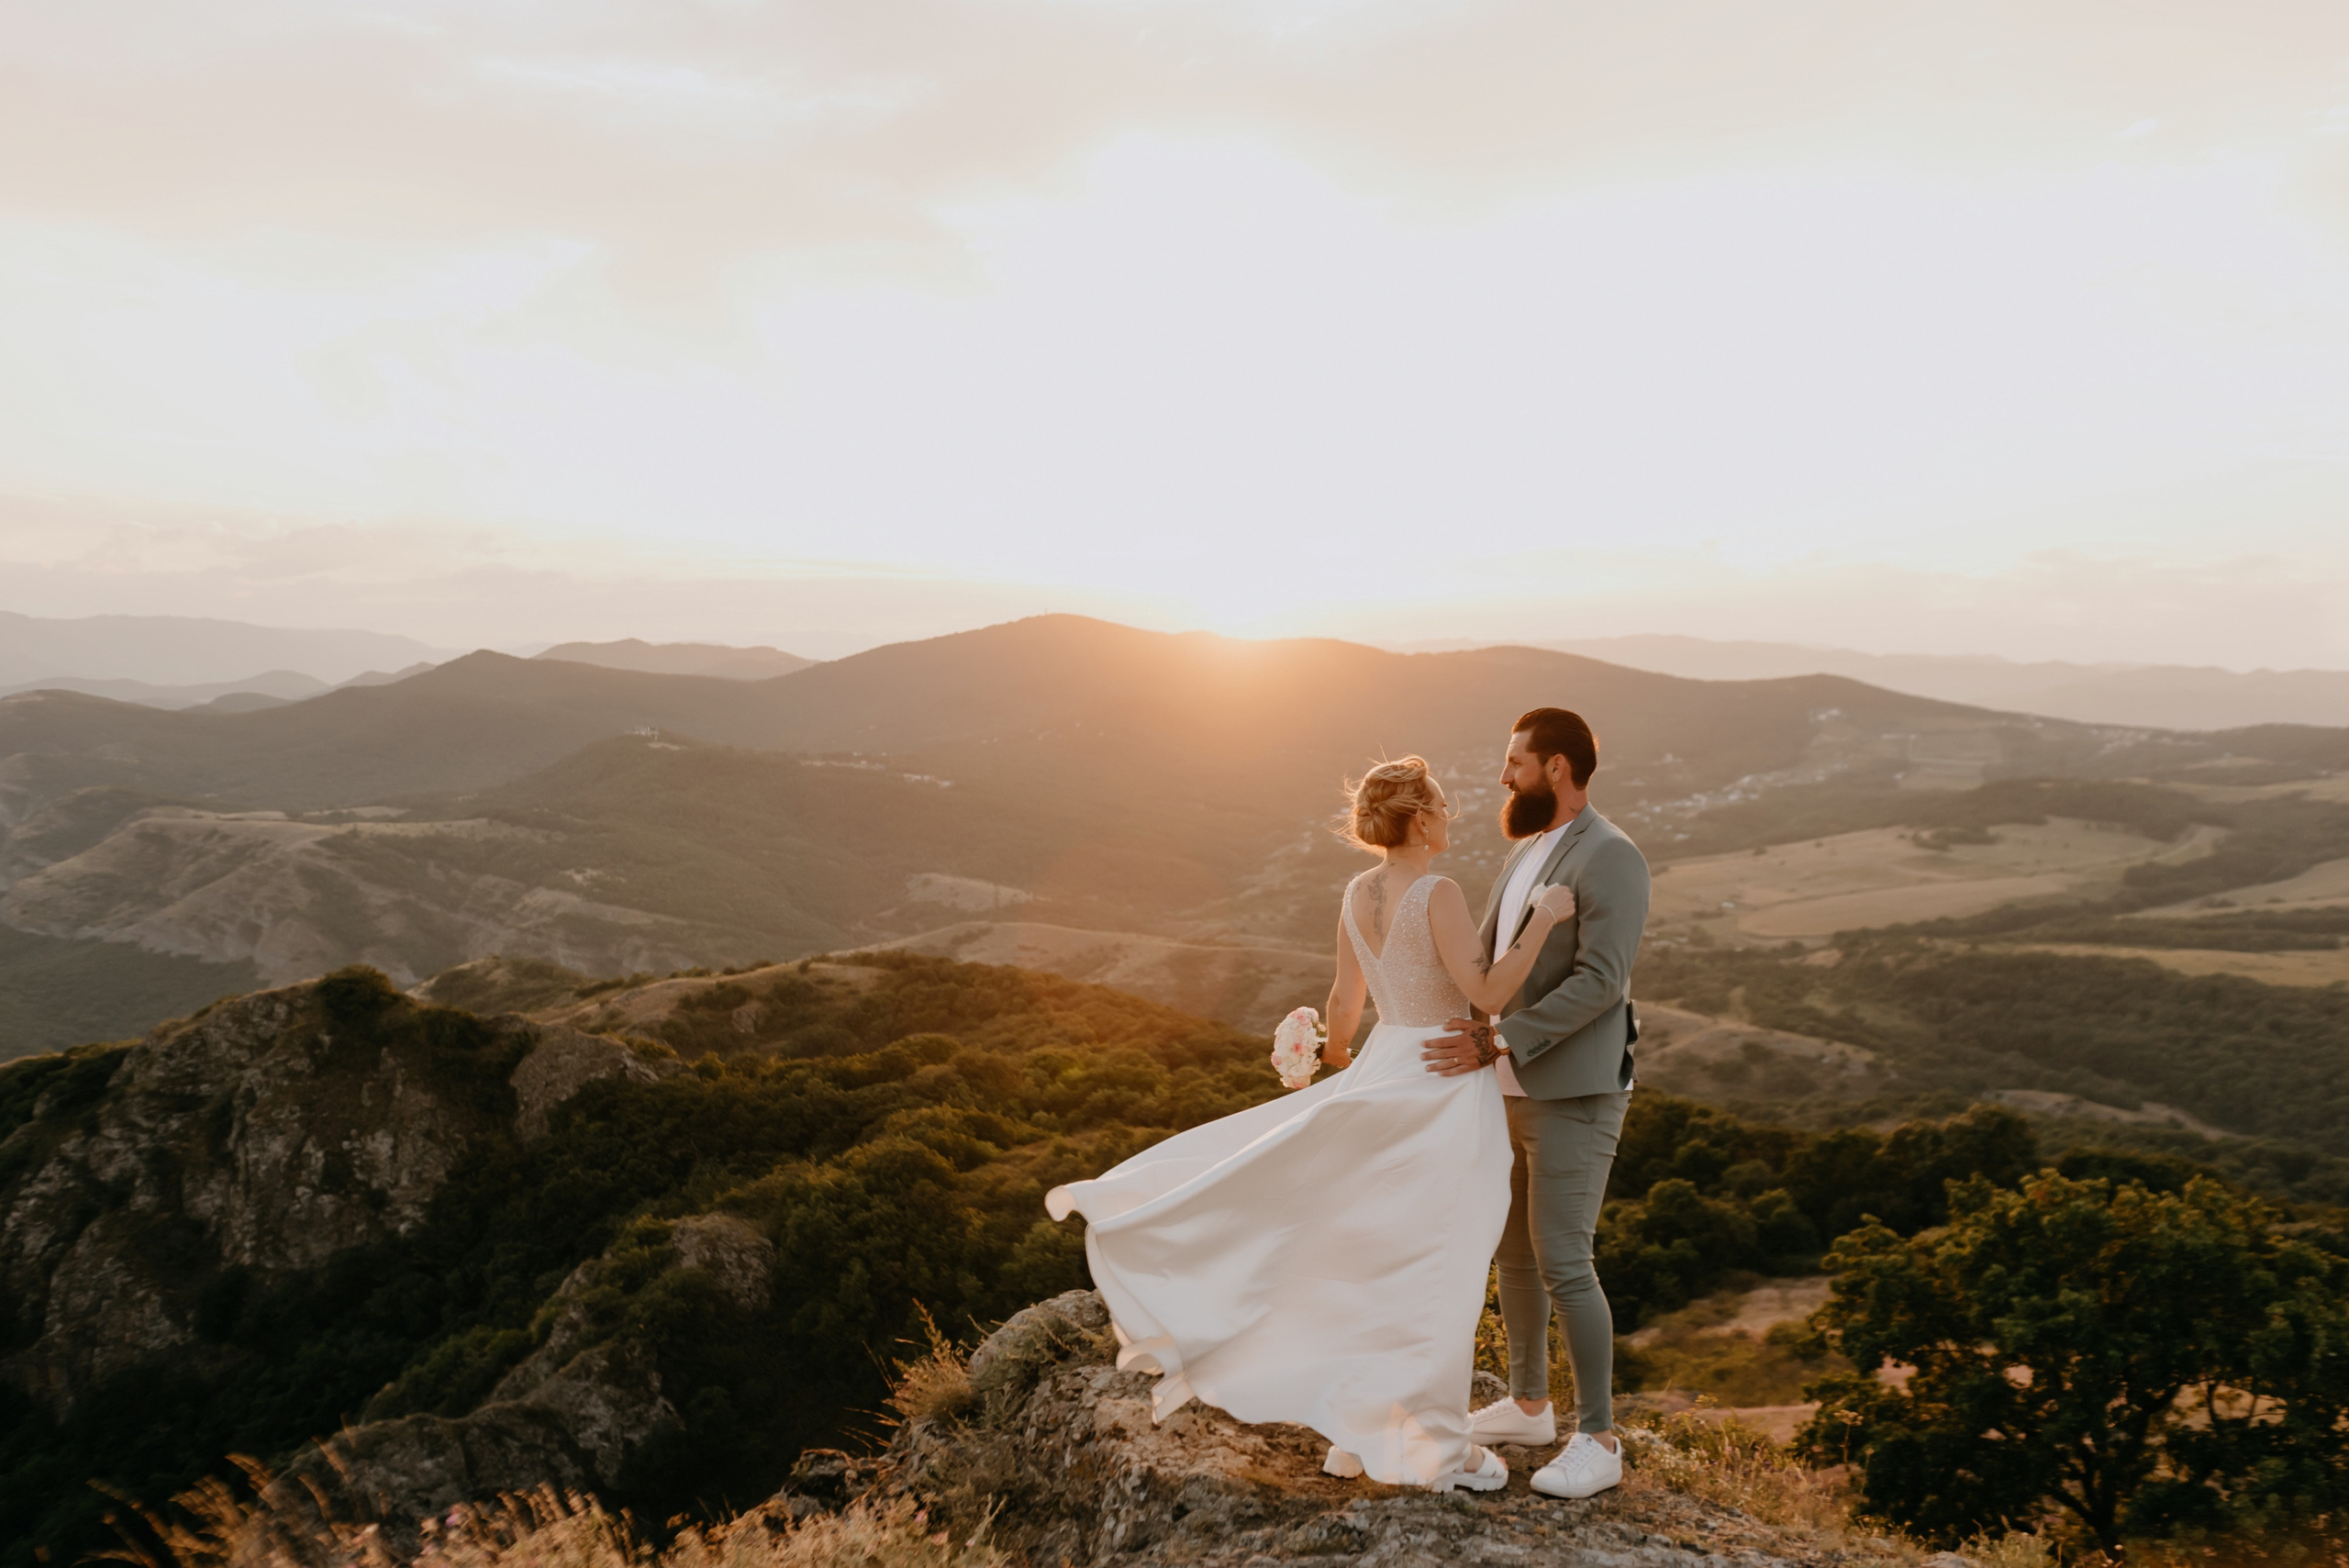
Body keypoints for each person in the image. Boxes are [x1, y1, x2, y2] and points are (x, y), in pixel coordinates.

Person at [1047, 756, 1577, 1492]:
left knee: (1377, 1261)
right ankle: (1434, 1446)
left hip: (1385, 1063)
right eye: (1445, 807)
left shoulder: (1356, 893)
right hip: (1445, 1084)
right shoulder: (1439, 891)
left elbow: (1343, 1004)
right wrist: (1545, 920)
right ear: (1421, 820)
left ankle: (1367, 1431)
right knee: (1437, 1266)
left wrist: (1324, 1053)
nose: (1451, 816)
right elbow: (1485, 988)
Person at [1422, 707, 1651, 1501]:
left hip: (1576, 1089)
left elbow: (1601, 981)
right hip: (1507, 1085)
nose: (1502, 775)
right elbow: (1490, 959)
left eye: (1514, 761)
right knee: (1511, 1253)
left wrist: (1501, 1038)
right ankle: (1527, 1405)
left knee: (1563, 1258)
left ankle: (1599, 1436)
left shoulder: (1612, 855)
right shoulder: (1527, 852)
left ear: (1557, 767)